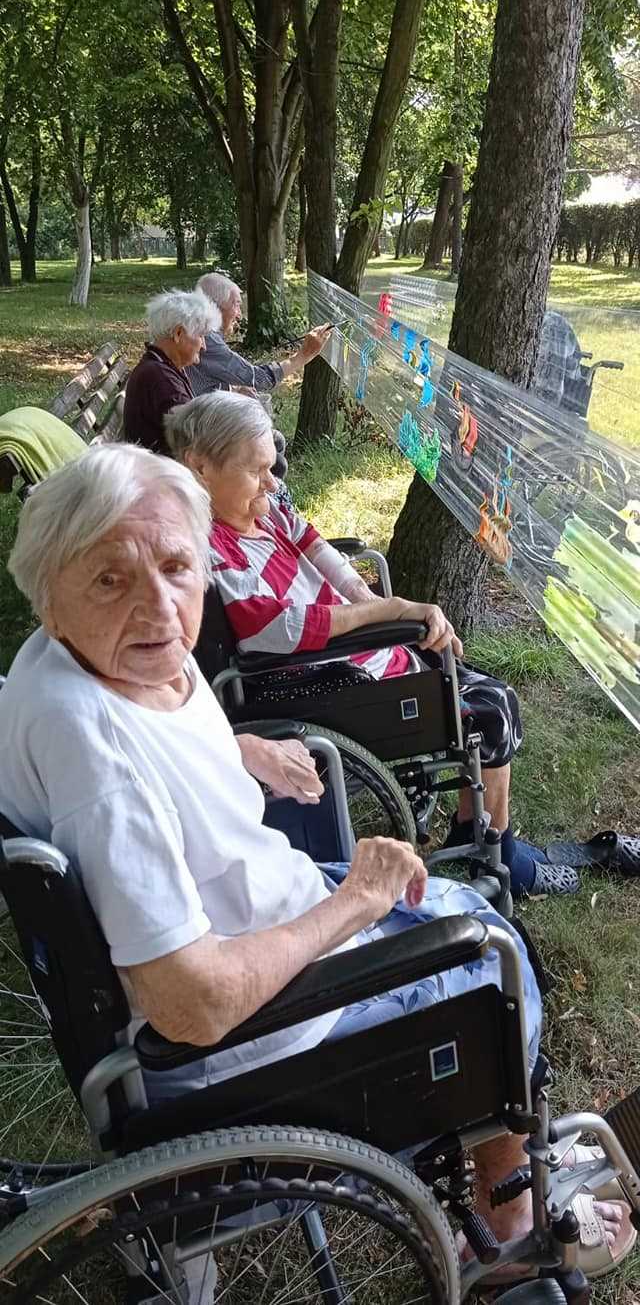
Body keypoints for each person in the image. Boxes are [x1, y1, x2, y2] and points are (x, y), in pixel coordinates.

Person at [0, 443, 631, 1289]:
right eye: (111, 579)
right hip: (255, 1037)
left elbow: (147, 736)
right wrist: (354, 903)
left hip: (258, 927)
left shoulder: (61, 663)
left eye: (177, 566)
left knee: (460, 906)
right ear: (49, 593)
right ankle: (509, 1219)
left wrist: (239, 745)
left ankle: (512, 1161)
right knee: (493, 955)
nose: (157, 605)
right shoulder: (99, 761)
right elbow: (192, 1003)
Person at [164, 392, 584, 901]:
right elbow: (273, 628)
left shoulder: (261, 511)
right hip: (322, 683)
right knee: (491, 707)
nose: (272, 483)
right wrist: (388, 614)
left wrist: (376, 602)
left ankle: (478, 832)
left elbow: (316, 547)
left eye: (271, 467)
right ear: (200, 466)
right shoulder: (209, 544)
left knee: (472, 681)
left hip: (353, 654)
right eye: (257, 471)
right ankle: (497, 852)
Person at [185, 271, 332, 399]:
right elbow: (259, 379)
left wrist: (233, 389)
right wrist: (303, 355)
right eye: (236, 305)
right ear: (214, 306)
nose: (240, 315)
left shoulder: (194, 327)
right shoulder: (207, 338)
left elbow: (205, 380)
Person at [123, 289, 218, 455]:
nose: (204, 346)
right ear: (178, 334)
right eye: (201, 335)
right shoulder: (160, 379)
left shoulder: (159, 367)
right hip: (161, 468)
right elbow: (197, 439)